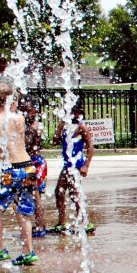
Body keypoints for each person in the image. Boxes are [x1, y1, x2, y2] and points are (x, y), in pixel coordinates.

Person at [0, 84, 37, 266]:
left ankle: (0, 249)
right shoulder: (19, 118)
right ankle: (28, 251)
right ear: (11, 100)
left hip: (10, 170)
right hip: (28, 168)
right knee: (23, 210)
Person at [50, 97, 95, 234]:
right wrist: (59, 127)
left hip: (76, 165)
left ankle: (85, 221)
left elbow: (91, 147)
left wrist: (86, 165)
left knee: (75, 194)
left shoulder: (82, 127)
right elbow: (54, 141)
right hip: (67, 165)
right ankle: (62, 222)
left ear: (77, 112)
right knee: (60, 192)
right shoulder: (65, 125)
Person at [21, 98, 48, 237]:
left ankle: (39, 227)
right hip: (33, 162)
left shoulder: (33, 127)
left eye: (27, 110)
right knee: (34, 195)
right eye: (22, 110)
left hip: (35, 163)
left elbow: (28, 145)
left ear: (34, 111)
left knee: (35, 194)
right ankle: (39, 225)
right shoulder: (32, 126)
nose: (24, 113)